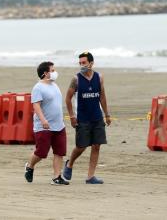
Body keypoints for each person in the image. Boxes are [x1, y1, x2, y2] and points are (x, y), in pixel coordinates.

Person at [62, 52, 111, 184]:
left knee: (96, 146)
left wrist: (107, 114)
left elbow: (102, 97)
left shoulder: (99, 77)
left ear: (91, 63)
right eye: (80, 63)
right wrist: (72, 116)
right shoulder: (76, 79)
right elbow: (67, 98)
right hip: (82, 118)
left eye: (84, 63)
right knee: (81, 146)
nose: (82, 65)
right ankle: (69, 164)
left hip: (97, 117)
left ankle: (90, 176)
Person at [25, 61, 69, 185]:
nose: (55, 72)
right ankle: (30, 166)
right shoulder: (38, 87)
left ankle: (56, 177)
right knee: (41, 152)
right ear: (45, 73)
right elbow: (36, 105)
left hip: (59, 125)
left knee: (59, 151)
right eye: (52, 70)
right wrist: (43, 120)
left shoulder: (54, 85)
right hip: (43, 126)